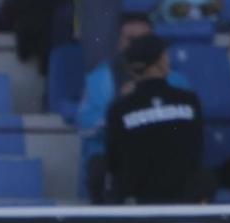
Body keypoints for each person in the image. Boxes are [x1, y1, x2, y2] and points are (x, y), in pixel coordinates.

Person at [78, 13, 193, 190]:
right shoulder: (98, 79)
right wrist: (120, 105)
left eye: (143, 39)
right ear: (119, 42)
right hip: (117, 156)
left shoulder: (178, 82)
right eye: (130, 38)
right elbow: (85, 127)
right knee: (99, 169)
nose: (136, 44)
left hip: (163, 154)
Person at [103, 34, 208, 203]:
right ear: (161, 61)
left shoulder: (120, 109)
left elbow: (113, 162)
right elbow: (199, 149)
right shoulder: (189, 100)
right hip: (185, 199)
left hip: (139, 201)